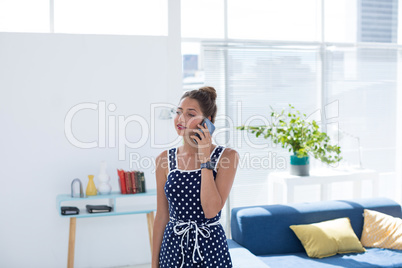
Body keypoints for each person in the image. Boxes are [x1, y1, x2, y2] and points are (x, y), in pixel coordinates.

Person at [151, 86, 239, 268]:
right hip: (173, 249)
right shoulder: (164, 160)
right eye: (178, 112)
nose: (181, 119)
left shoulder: (227, 157)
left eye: (190, 114)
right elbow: (161, 216)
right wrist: (154, 263)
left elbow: (210, 210)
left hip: (210, 249)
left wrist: (205, 157)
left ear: (208, 121)